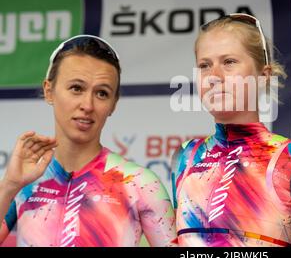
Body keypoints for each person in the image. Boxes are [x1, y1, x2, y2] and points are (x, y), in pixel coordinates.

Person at [0, 35, 177, 247]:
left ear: (113, 104)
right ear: (49, 91)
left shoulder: (140, 183)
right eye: (76, 88)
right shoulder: (23, 182)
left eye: (102, 93)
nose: (88, 105)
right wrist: (9, 185)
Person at [171, 13, 291, 247]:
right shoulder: (186, 156)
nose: (214, 77)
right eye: (204, 65)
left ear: (263, 76)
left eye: (228, 62)